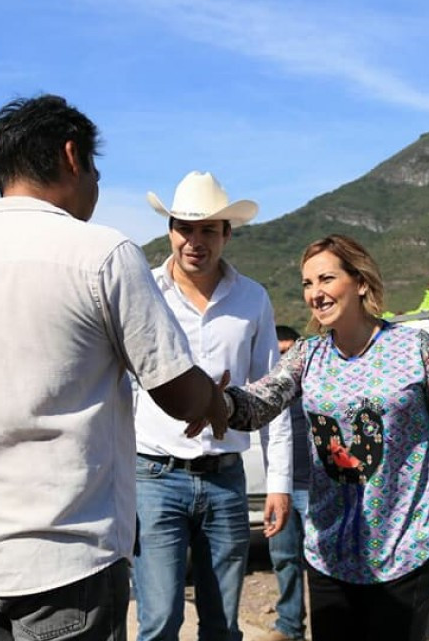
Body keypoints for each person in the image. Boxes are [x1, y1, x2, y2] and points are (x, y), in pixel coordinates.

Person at [0, 94, 229, 641]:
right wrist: (215, 401)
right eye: (95, 168)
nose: (96, 184)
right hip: (67, 562)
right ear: (71, 156)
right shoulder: (102, 254)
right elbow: (178, 394)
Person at [225, 234, 429, 641]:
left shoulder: (414, 349)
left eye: (326, 279)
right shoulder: (307, 355)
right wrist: (216, 400)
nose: (315, 293)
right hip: (329, 552)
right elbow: (260, 403)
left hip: (404, 548)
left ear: (361, 282)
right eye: (307, 283)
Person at [134, 170, 292, 641]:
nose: (195, 241)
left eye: (207, 230)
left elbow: (272, 394)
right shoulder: (144, 293)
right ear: (170, 231)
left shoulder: (252, 299)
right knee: (159, 622)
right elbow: (123, 388)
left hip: (225, 479)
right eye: (185, 228)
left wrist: (279, 483)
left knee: (222, 626)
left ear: (227, 234)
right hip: (154, 477)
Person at [258, 325, 311, 641]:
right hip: (281, 490)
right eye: (279, 353)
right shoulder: (270, 397)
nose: (285, 359)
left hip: (317, 489)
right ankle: (290, 627)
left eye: (290, 351)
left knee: (324, 564)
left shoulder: (317, 391)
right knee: (284, 559)